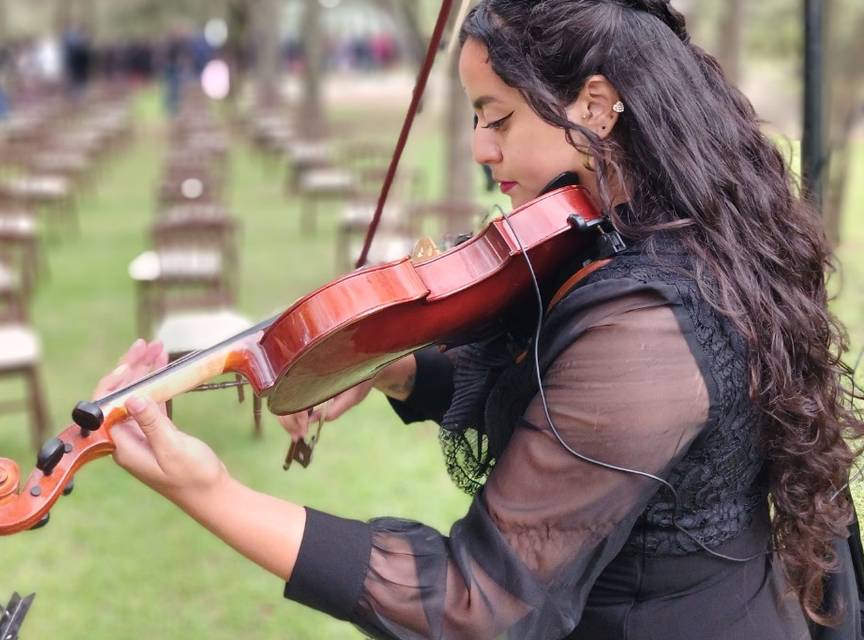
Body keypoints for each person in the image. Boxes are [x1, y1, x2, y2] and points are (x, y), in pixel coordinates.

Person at [95, 1, 864, 638]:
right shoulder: (648, 228)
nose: (477, 146)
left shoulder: (649, 327)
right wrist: (394, 365)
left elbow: (477, 599)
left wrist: (212, 492)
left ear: (594, 105)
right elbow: (554, 377)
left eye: (496, 117)